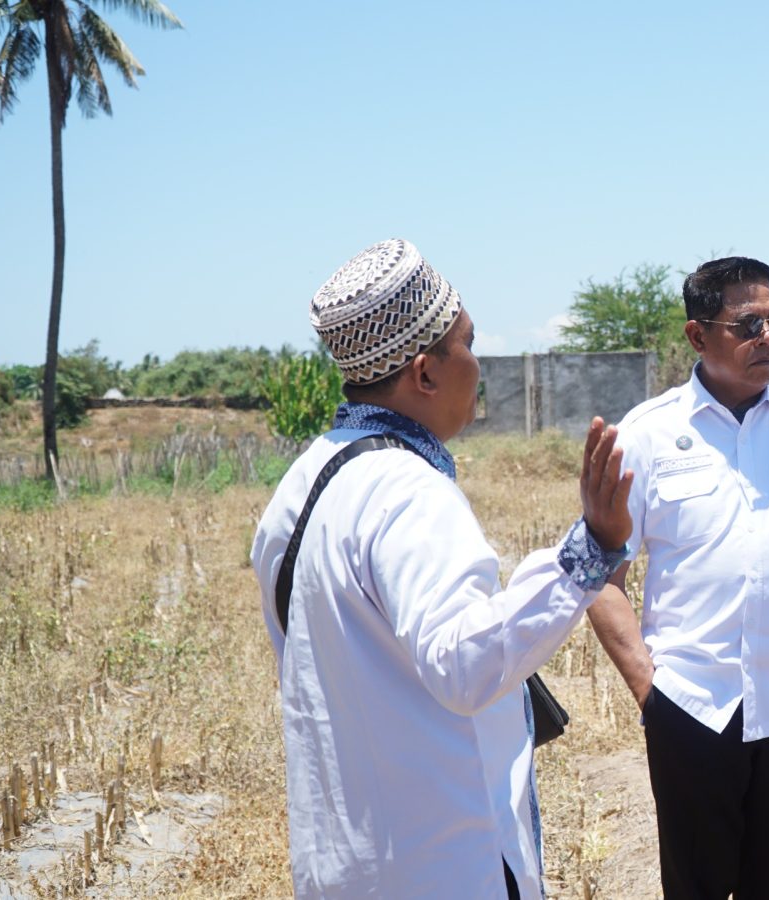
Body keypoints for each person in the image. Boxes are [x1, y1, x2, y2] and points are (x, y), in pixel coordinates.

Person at [250, 238, 633, 899]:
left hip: (349, 864)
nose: (478, 366)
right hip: (440, 861)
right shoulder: (407, 490)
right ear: (425, 373)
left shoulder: (303, 482)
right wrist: (590, 550)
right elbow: (464, 665)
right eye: (469, 344)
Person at [586, 256, 769, 899]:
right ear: (698, 335)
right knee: (694, 887)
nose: (768, 338)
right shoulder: (648, 434)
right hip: (692, 706)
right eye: (749, 325)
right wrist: (651, 692)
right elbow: (603, 577)